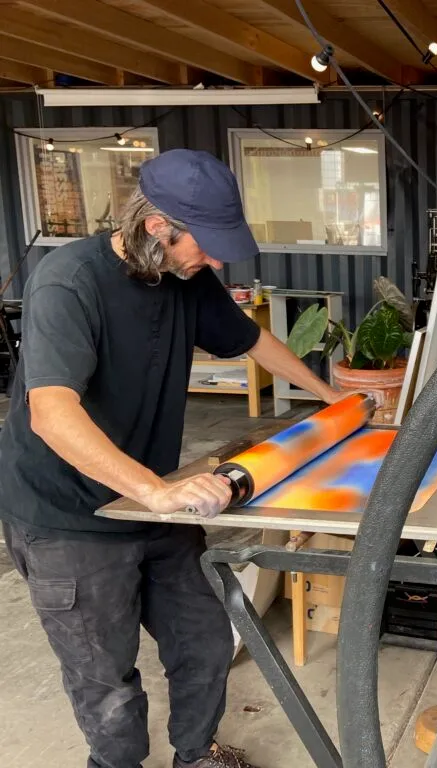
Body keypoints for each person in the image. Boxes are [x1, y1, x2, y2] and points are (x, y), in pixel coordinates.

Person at [0, 149, 345, 768]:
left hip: (151, 504)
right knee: (106, 679)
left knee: (204, 641)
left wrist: (330, 399)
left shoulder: (186, 279)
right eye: (205, 245)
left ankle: (196, 755)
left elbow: (253, 339)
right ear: (157, 227)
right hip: (66, 517)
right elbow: (50, 413)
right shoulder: (69, 282)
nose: (215, 261)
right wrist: (156, 492)